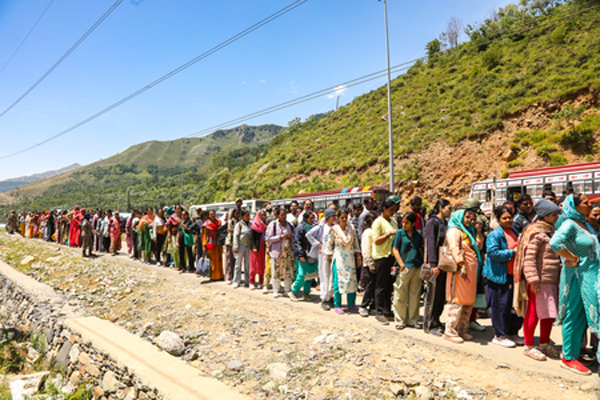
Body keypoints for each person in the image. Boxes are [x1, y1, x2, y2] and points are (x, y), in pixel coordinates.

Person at [549, 193, 600, 375]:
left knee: (584, 317)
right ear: (574, 206)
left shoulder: (584, 224)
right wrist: (571, 258)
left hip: (591, 276)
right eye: (585, 203)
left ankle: (574, 353)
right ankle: (568, 357)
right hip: (578, 277)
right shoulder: (569, 224)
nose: (589, 205)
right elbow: (555, 243)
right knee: (574, 315)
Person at [513, 199, 561, 361]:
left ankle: (545, 343)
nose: (557, 217)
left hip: (551, 279)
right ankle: (528, 346)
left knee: (549, 313)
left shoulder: (550, 231)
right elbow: (529, 259)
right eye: (553, 214)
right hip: (539, 281)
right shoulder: (536, 233)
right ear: (544, 215)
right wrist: (533, 280)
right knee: (533, 312)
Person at [483, 206, 523, 348]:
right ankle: (500, 335)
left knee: (514, 305)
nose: (508, 220)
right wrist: (512, 252)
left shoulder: (515, 232)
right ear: (498, 220)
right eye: (504, 218)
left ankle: (512, 332)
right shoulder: (495, 235)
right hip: (500, 276)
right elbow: (493, 254)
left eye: (510, 217)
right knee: (501, 306)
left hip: (514, 276)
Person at [444, 209, 482, 344]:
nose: (468, 220)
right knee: (457, 300)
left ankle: (462, 329)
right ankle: (450, 331)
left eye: (469, 217)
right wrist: (462, 264)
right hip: (460, 271)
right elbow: (454, 248)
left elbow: (477, 247)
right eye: (466, 217)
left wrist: (478, 232)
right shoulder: (454, 231)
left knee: (467, 301)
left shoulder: (467, 232)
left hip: (470, 272)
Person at [423, 199, 451, 336]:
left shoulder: (444, 223)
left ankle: (436, 320)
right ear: (441, 208)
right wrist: (433, 264)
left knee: (440, 296)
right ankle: (429, 324)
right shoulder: (432, 223)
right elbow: (430, 244)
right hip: (435, 265)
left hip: (443, 265)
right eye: (448, 208)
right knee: (432, 296)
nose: (450, 211)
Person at [391, 212, 424, 329]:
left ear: (413, 224)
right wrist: (401, 263)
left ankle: (412, 320)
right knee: (400, 294)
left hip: (416, 266)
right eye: (403, 222)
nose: (404, 225)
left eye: (407, 223)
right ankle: (400, 320)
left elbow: (421, 248)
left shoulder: (418, 234)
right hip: (404, 267)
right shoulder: (400, 233)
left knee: (415, 295)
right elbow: (395, 249)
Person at [325, 209, 361, 314]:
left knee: (351, 281)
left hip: (350, 258)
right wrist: (329, 257)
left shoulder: (351, 228)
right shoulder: (334, 230)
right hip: (339, 258)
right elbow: (329, 244)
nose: (344, 219)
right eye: (342, 217)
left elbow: (355, 242)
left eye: (346, 217)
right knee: (338, 282)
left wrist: (358, 256)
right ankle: (337, 304)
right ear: (338, 218)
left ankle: (351, 304)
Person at [371, 199, 399, 325]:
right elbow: (376, 240)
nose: (393, 212)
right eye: (390, 210)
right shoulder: (378, 222)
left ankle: (387, 310)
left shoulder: (393, 221)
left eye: (394, 210)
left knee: (389, 284)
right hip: (381, 257)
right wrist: (389, 234)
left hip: (392, 257)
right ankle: (379, 312)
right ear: (384, 209)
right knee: (381, 285)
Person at [306, 208, 337, 311]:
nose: (334, 218)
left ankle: (330, 297)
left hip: (333, 255)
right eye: (333, 216)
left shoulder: (335, 227)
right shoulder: (321, 227)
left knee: (332, 276)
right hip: (323, 255)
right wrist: (317, 244)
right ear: (328, 217)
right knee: (324, 276)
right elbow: (308, 234)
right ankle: (324, 298)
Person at [268, 208, 296, 298]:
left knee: (288, 271)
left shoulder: (290, 225)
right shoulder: (273, 225)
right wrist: (280, 237)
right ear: (277, 216)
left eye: (285, 215)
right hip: (277, 252)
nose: (284, 217)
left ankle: (287, 289)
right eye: (282, 215)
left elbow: (294, 236)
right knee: (276, 271)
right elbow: (269, 238)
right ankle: (276, 289)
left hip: (288, 252)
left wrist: (290, 237)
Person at [290, 211, 318, 301]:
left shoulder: (313, 227)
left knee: (310, 274)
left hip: (312, 255)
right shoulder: (300, 228)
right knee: (302, 274)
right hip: (303, 255)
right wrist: (300, 255)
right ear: (305, 219)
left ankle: (306, 293)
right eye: (311, 218)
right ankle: (293, 292)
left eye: (313, 218)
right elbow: (297, 242)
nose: (312, 220)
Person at [358, 212, 378, 317]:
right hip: (370, 263)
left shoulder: (374, 231)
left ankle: (373, 305)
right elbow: (366, 251)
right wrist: (370, 264)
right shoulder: (367, 233)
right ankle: (363, 305)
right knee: (370, 284)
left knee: (375, 284)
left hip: (375, 262)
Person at [202, 210, 224, 281]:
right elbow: (204, 235)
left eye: (214, 214)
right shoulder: (206, 224)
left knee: (219, 259)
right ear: (208, 215)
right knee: (213, 261)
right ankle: (213, 276)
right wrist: (204, 245)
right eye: (211, 214)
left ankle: (220, 275)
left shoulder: (218, 222)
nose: (213, 215)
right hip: (210, 244)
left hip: (218, 244)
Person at [232, 210, 252, 288]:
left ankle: (247, 281)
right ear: (242, 217)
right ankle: (236, 281)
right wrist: (235, 247)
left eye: (249, 215)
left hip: (248, 246)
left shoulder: (250, 224)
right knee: (238, 264)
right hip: (240, 246)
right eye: (246, 215)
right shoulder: (239, 225)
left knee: (247, 264)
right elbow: (235, 236)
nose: (248, 217)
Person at [249, 210, 267, 290]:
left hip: (262, 248)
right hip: (256, 248)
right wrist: (254, 247)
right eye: (261, 215)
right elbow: (251, 237)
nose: (263, 217)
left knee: (261, 265)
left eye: (264, 215)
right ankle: (252, 282)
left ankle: (261, 282)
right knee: (254, 264)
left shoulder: (265, 225)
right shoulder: (254, 225)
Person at [224, 209, 240, 283]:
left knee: (235, 261)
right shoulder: (231, 221)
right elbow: (230, 230)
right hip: (230, 242)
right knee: (229, 260)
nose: (238, 215)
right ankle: (228, 277)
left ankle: (234, 277)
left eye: (238, 213)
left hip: (237, 243)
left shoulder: (239, 222)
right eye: (236, 213)